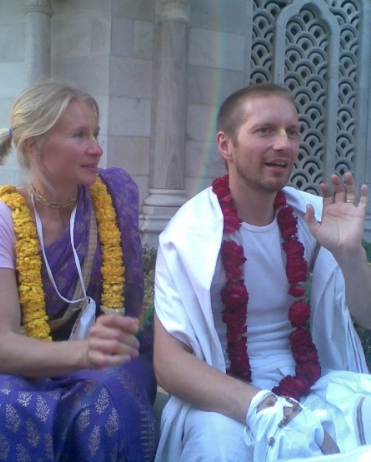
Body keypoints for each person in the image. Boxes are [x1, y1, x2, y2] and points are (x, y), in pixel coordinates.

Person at [153, 83, 371, 461]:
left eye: (292, 131)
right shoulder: (189, 234)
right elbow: (169, 364)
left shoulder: (312, 217)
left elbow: (367, 314)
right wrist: (264, 408)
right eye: (265, 130)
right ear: (226, 145)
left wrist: (349, 253)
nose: (283, 144)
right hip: (225, 397)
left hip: (313, 381)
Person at [0, 80, 157, 461]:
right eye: (80, 135)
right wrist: (83, 352)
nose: (97, 148)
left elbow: (129, 318)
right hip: (30, 361)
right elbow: (2, 345)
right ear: (33, 145)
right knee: (1, 409)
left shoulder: (112, 197)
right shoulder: (0, 219)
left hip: (111, 361)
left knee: (100, 409)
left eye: (96, 134)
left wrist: (100, 349)